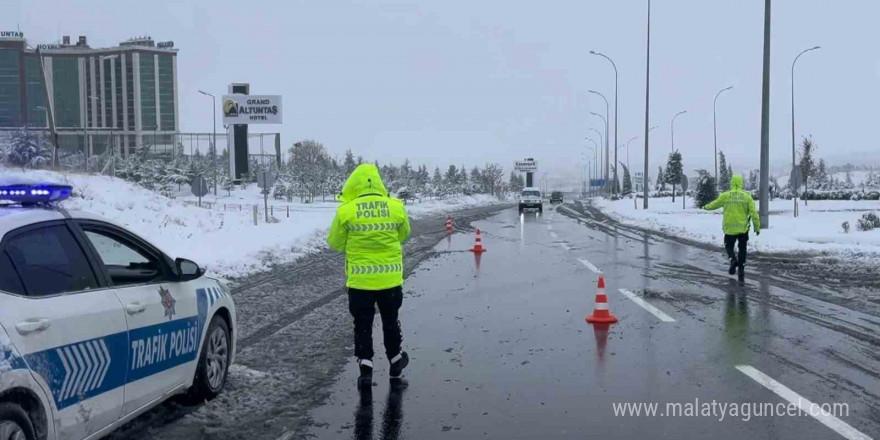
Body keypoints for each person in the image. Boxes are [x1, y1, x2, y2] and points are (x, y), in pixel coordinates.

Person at [328, 164, 412, 389]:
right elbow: (404, 235)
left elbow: (335, 243)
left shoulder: (346, 211)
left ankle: (366, 368)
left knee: (362, 324)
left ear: (353, 184)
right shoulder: (396, 207)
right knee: (390, 320)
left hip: (359, 282)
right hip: (390, 281)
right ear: (379, 182)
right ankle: (395, 360)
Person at [703, 174, 761, 279]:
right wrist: (757, 227)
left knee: (729, 246)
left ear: (732, 183)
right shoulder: (747, 197)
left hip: (729, 228)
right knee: (742, 248)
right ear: (741, 183)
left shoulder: (725, 196)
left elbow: (714, 204)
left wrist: (705, 207)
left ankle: (732, 259)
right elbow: (754, 214)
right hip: (743, 229)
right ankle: (741, 267)